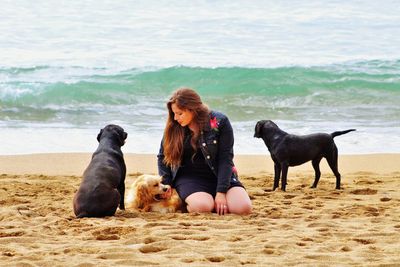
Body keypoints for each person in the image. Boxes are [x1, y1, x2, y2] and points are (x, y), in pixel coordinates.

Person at [157, 88, 252, 215]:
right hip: (189, 178)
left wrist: (221, 192)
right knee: (202, 207)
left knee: (243, 209)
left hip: (220, 176)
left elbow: (225, 159)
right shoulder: (174, 127)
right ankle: (193, 201)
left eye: (180, 113)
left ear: (193, 109)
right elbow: (162, 157)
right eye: (174, 113)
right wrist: (167, 184)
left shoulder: (220, 122)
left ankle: (212, 199)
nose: (175, 118)